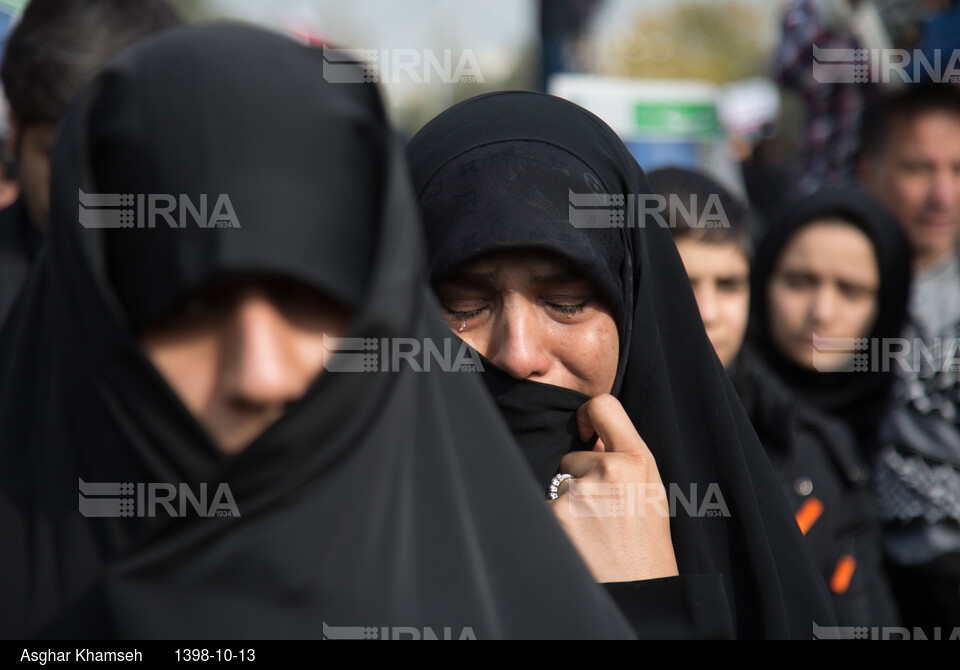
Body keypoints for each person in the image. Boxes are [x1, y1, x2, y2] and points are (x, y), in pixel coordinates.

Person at [0, 24, 636, 640]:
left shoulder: (516, 596)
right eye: (190, 310)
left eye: (309, 304)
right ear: (95, 315)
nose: (260, 371)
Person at [405, 90, 837, 639]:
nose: (517, 354)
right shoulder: (321, 538)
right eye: (464, 308)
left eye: (565, 303)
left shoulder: (736, 543)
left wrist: (645, 593)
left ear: (636, 310)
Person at [650, 166, 900, 627]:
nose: (707, 313)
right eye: (681, 282)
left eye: (729, 285)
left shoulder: (812, 446)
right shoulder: (579, 428)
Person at [0, 0, 181, 327]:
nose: (87, 189)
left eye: (116, 157)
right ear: (14, 128)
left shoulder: (206, 293)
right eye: (59, 155)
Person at [857, 82, 960, 627]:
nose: (942, 194)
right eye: (919, 168)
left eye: (958, 169)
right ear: (869, 172)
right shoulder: (824, 284)